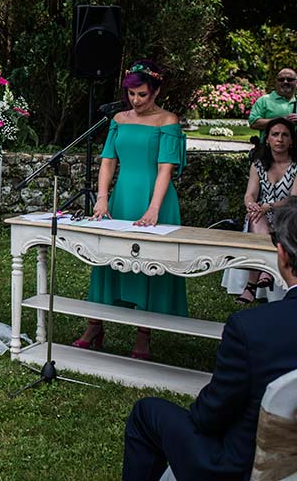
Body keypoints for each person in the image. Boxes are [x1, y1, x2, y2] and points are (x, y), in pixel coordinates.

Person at [122, 197, 297, 481]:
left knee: (146, 413)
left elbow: (208, 417)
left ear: (282, 254)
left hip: (240, 466)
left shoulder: (251, 328)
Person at [75, 60, 188, 360]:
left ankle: (143, 335)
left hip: (155, 197)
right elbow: (108, 161)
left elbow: (166, 168)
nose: (136, 101)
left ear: (156, 91)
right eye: (132, 95)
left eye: (142, 95)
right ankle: (95, 325)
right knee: (105, 258)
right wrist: (102, 197)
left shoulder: (168, 121)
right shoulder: (119, 119)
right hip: (122, 197)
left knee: (147, 261)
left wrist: (154, 209)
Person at [226, 117, 297, 304]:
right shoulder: (258, 165)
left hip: (289, 217)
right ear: (267, 139)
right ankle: (260, 277)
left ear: (291, 141)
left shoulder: (296, 166)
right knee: (255, 218)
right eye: (275, 135)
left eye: (285, 135)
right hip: (262, 216)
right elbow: (249, 194)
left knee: (272, 218)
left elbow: (293, 200)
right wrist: (252, 205)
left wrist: (269, 206)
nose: (279, 139)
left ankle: (258, 279)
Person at [248, 67, 297, 137]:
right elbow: (253, 123)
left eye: (290, 79)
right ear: (276, 82)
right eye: (281, 79)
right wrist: (280, 121)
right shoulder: (264, 101)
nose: (285, 82)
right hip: (269, 147)